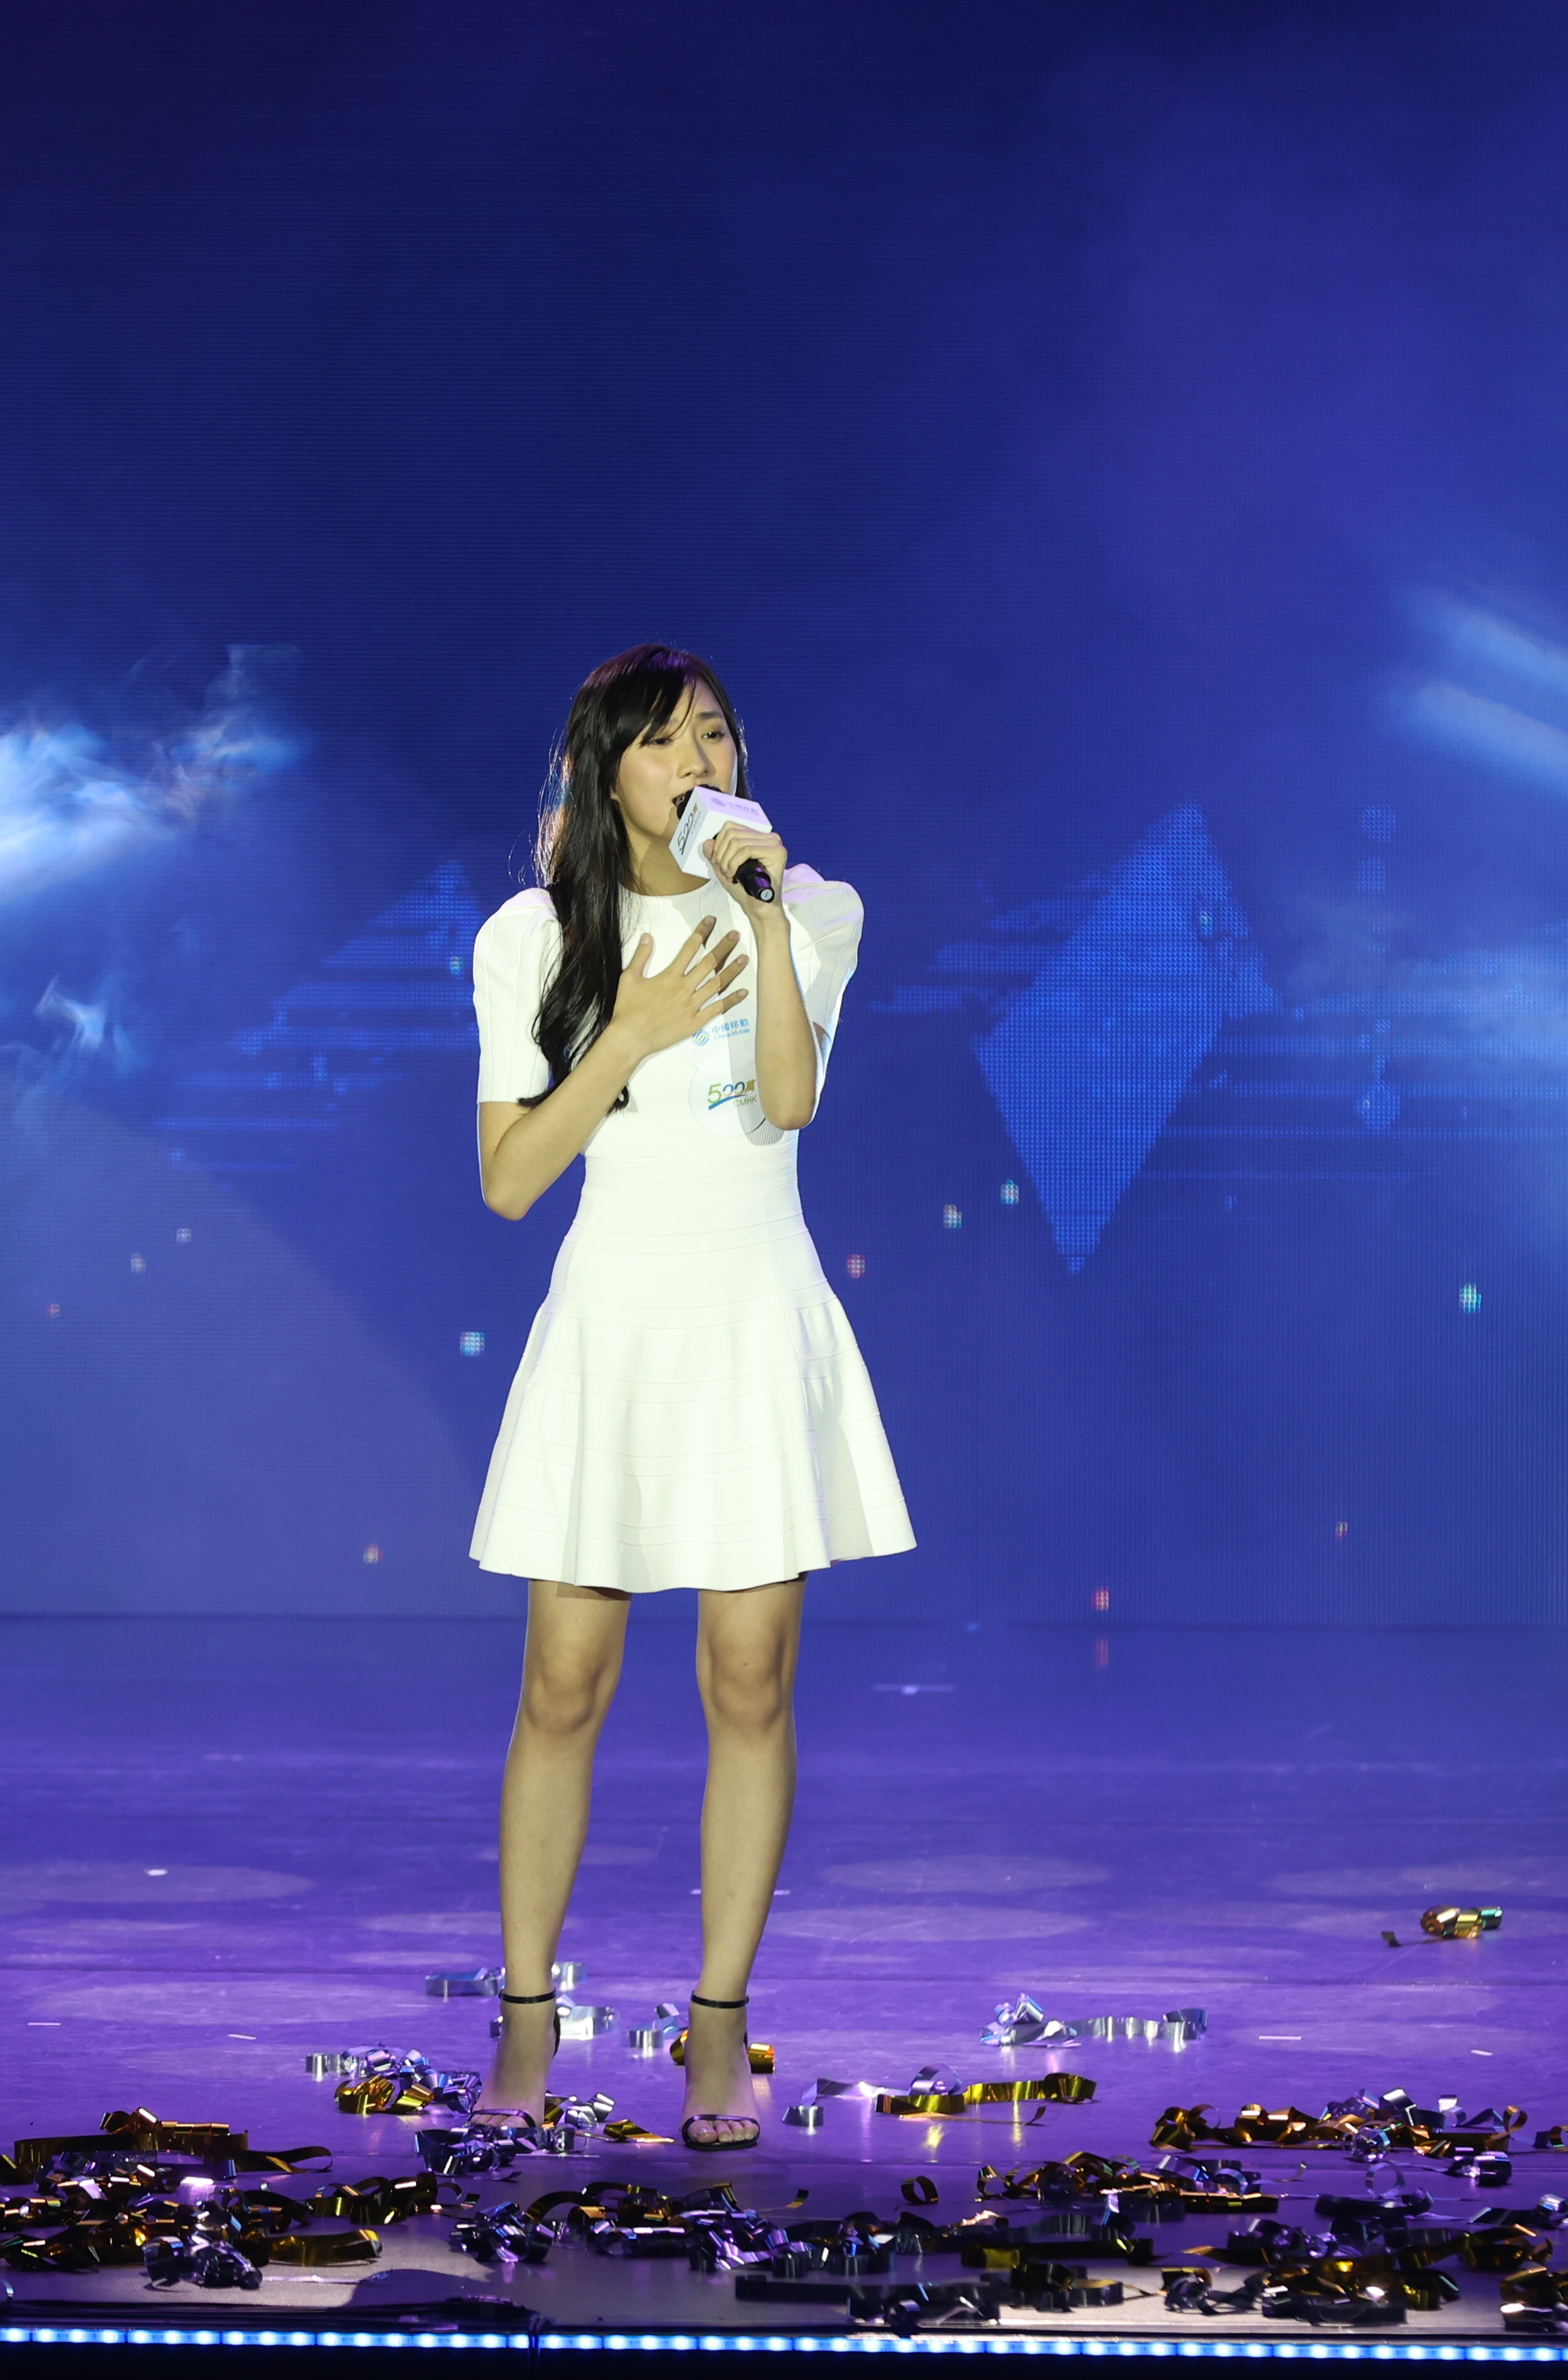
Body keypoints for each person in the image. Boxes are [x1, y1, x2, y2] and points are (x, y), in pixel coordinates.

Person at [464, 643, 914, 2150]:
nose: (696, 762)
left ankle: (719, 2024)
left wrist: (763, 918)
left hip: (750, 1319)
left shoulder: (816, 909)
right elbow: (510, 1181)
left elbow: (788, 1101)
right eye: (662, 742)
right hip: (614, 1323)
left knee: (750, 1682)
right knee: (562, 1685)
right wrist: (629, 1035)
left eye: (713, 733)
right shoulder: (533, 938)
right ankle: (526, 2013)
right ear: (607, 775)